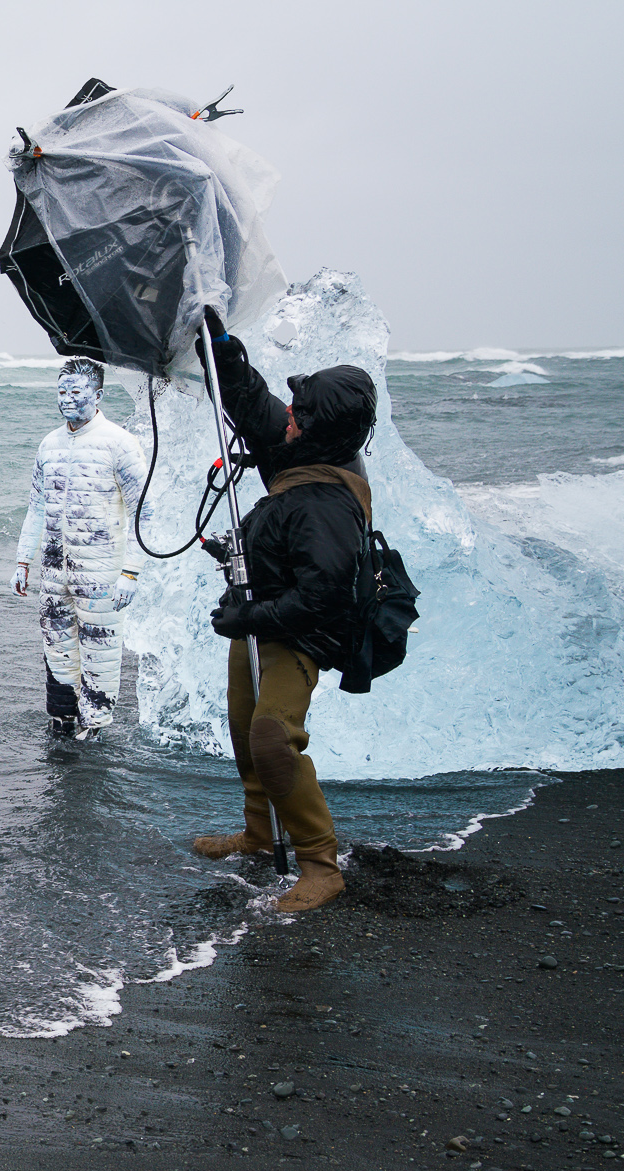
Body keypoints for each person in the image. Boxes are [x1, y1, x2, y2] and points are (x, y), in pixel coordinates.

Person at [189, 314, 379, 913]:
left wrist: (249, 618)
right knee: (246, 729)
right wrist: (221, 350)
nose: (288, 416)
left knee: (273, 738)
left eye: (300, 411)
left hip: (299, 632)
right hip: (262, 613)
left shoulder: (329, 501)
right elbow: (252, 402)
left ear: (322, 429)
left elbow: (323, 597)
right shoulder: (304, 439)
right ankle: (257, 835)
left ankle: (321, 866)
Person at [13, 358, 149, 739]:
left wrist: (131, 572)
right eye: (62, 391)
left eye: (76, 391)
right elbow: (36, 506)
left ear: (98, 394)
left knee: (100, 650)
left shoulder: (119, 443)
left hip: (101, 571)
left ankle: (96, 729)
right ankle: (61, 721)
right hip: (55, 570)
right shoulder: (50, 444)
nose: (67, 399)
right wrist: (23, 561)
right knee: (57, 645)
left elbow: (144, 510)